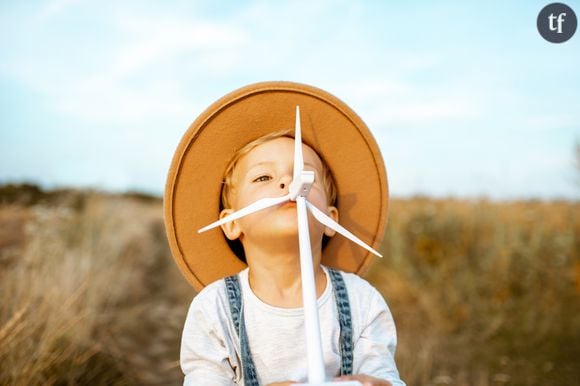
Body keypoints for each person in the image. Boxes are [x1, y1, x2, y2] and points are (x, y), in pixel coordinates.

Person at [164, 82, 405, 386]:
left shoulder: (362, 301)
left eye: (306, 175)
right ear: (231, 223)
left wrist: (375, 384)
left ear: (331, 219)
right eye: (264, 176)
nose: (289, 183)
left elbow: (386, 377)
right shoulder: (215, 308)